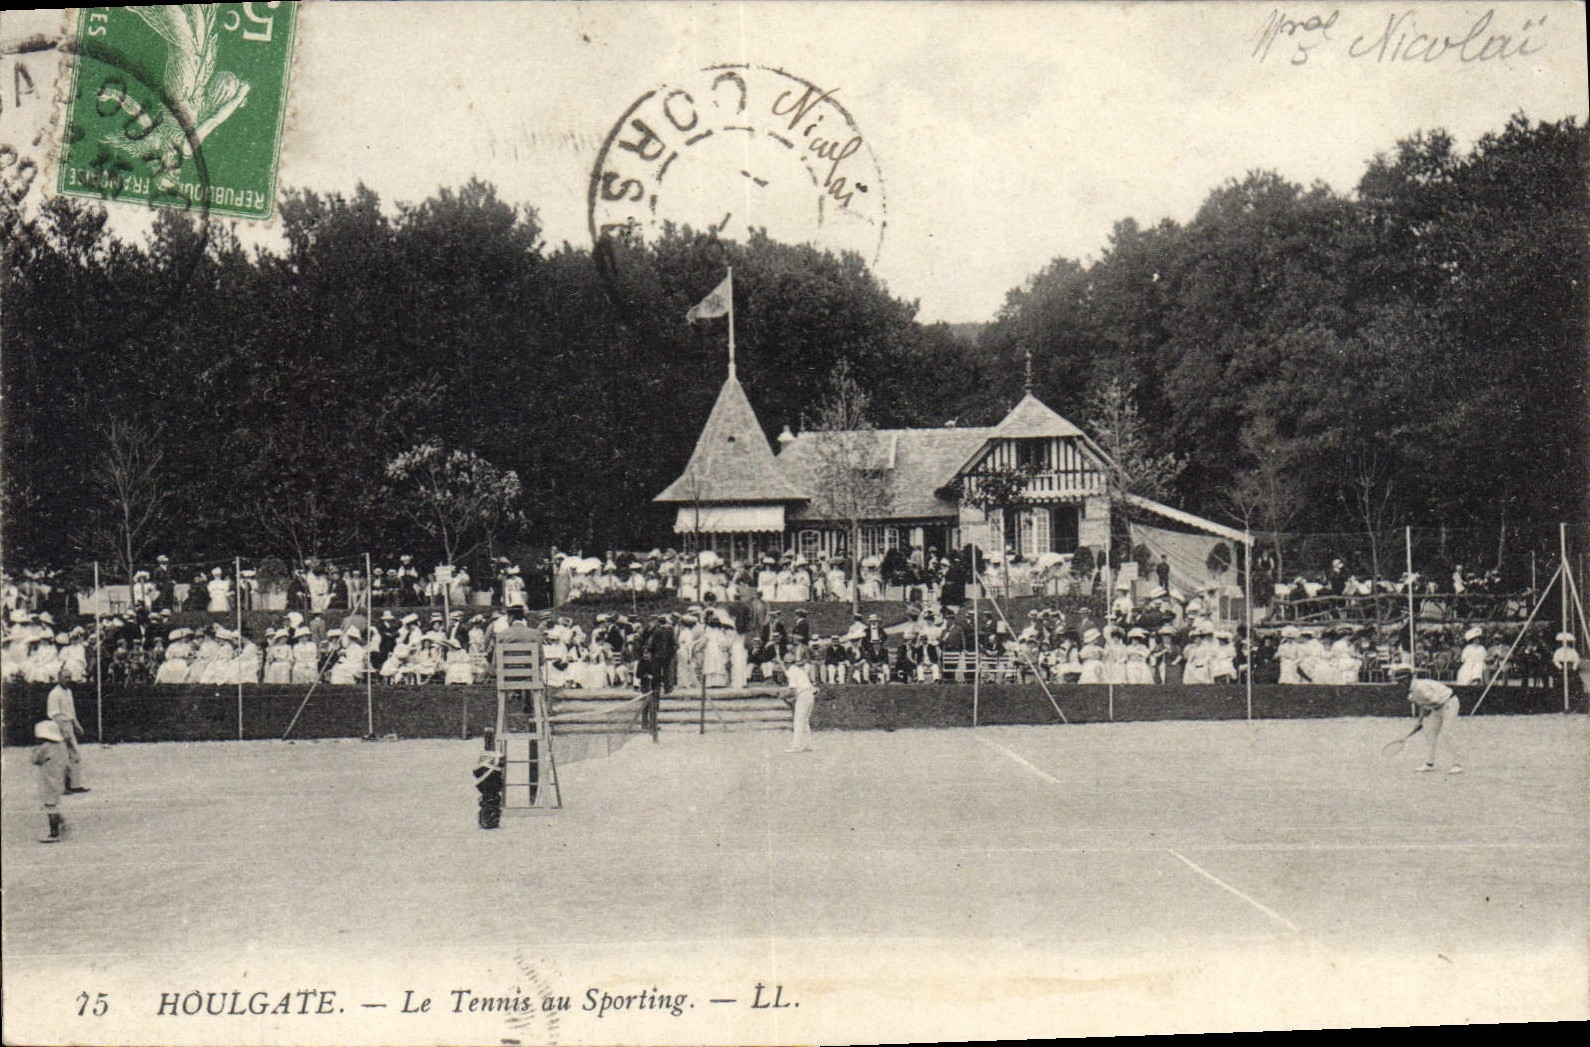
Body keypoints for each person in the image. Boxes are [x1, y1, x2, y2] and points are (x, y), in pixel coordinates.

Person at [1391, 665, 1464, 774]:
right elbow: (1423, 705)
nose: (1399, 684)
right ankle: (1430, 764)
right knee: (1430, 733)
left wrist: (1425, 714)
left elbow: (1436, 701)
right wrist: (1420, 722)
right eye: (1398, 681)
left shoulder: (1420, 688)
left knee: (1448, 733)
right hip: (1437, 707)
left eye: (1400, 681)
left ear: (1407, 679)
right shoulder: (1412, 692)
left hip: (1449, 703)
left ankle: (1457, 764)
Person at [46, 671, 88, 793]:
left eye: (69, 677)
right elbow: (54, 714)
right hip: (59, 726)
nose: (68, 680)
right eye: (65, 678)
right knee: (61, 756)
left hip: (68, 725)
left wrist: (76, 725)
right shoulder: (54, 694)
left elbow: (71, 711)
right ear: (59, 678)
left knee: (74, 754)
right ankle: (61, 787)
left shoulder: (68, 692)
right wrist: (64, 731)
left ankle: (75, 785)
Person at [33, 720, 71, 842]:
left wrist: (36, 750)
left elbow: (35, 759)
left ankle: (55, 832)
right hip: (59, 778)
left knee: (50, 805)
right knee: (53, 804)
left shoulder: (45, 747)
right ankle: (61, 823)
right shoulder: (61, 746)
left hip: (48, 780)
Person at [782, 647, 818, 753]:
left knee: (798, 721)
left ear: (787, 663)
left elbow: (792, 690)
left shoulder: (791, 672)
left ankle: (796, 746)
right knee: (805, 720)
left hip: (803, 695)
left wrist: (783, 696)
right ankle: (808, 744)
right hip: (810, 695)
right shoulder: (799, 671)